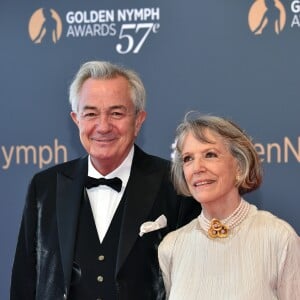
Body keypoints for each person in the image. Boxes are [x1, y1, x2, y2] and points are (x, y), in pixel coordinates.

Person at [10, 61, 200, 300]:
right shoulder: (45, 187)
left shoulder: (176, 184)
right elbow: (24, 284)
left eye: (116, 113)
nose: (103, 126)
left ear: (139, 120)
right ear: (76, 119)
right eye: (90, 114)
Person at [158, 112, 300, 300]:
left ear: (239, 166)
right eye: (188, 158)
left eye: (210, 155)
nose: (197, 167)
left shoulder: (278, 238)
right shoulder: (172, 247)